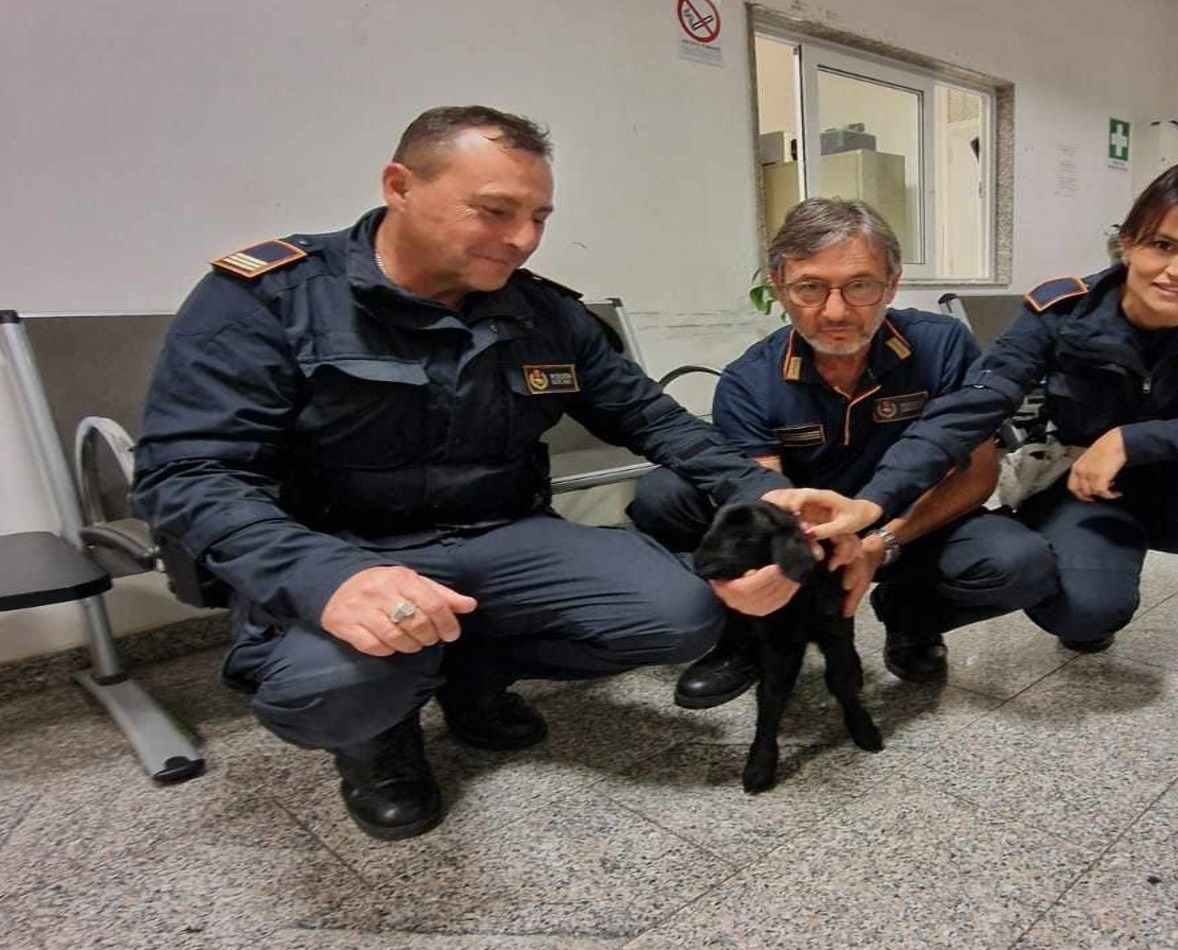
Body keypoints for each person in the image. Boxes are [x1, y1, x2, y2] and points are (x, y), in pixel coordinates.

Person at [132, 105, 848, 840]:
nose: (524, 238)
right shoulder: (268, 298)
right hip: (342, 550)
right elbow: (187, 472)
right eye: (496, 211)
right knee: (330, 687)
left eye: (539, 215)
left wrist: (768, 497)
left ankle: (473, 677)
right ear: (399, 185)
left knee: (680, 611)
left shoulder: (544, 314)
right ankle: (379, 741)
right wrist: (327, 580)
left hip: (499, 535)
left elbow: (654, 421)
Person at [801, 161, 1178, 759]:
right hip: (1086, 490)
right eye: (1162, 244)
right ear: (1127, 241)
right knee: (1084, 613)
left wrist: (1134, 441)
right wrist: (874, 501)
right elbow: (972, 406)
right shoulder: (1063, 312)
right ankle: (1060, 604)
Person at [628, 198, 1059, 706]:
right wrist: (803, 560)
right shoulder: (749, 380)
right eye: (810, 287)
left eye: (860, 286)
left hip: (909, 523)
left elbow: (978, 474)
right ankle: (747, 630)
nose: (835, 312)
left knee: (1021, 561)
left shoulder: (942, 345)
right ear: (779, 288)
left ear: (892, 284)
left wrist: (880, 545)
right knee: (664, 494)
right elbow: (765, 510)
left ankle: (909, 616)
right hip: (808, 532)